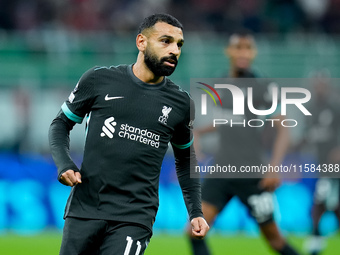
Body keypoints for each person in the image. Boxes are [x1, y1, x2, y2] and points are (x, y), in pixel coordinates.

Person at [49, 13, 209, 255]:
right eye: (165, 41)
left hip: (135, 216)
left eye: (179, 44)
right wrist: (64, 164)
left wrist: (195, 212)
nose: (174, 50)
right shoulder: (99, 80)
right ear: (141, 42)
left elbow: (186, 159)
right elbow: (60, 124)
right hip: (85, 208)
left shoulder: (181, 104)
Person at [187, 32, 300, 255]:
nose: (243, 52)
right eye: (238, 47)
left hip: (253, 173)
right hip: (223, 169)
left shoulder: (261, 85)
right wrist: (198, 132)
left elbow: (283, 126)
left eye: (248, 48)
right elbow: (233, 121)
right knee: (195, 232)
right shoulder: (221, 82)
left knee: (275, 240)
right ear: (229, 52)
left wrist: (274, 166)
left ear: (253, 53)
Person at [301, 70, 340, 255]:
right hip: (320, 162)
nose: (319, 87)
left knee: (321, 198)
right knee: (331, 202)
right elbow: (309, 135)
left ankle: (315, 236)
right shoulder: (311, 109)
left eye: (322, 84)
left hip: (334, 163)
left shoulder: (334, 107)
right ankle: (317, 235)